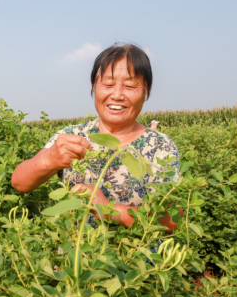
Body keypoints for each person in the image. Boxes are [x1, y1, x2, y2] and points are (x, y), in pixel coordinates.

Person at [11, 43, 182, 232]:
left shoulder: (160, 146)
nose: (117, 95)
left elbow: (171, 221)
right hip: (75, 259)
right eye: (108, 84)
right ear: (94, 87)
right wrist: (50, 159)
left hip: (135, 258)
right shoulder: (72, 136)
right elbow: (19, 182)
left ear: (146, 91)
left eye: (130, 86)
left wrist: (109, 211)